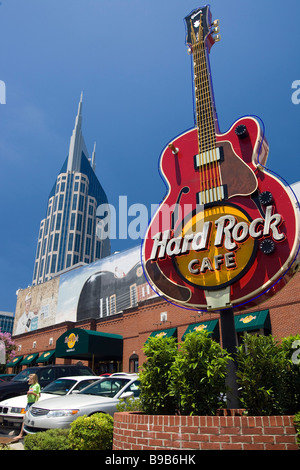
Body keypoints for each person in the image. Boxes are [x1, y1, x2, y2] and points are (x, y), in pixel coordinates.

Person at [13, 373, 41, 440]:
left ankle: (23, 434)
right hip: (28, 403)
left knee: (29, 418)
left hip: (33, 403)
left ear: (33, 379)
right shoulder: (31, 386)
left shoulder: (37, 385)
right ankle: (22, 433)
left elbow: (39, 395)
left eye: (30, 379)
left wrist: (32, 393)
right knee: (24, 418)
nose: (28, 380)